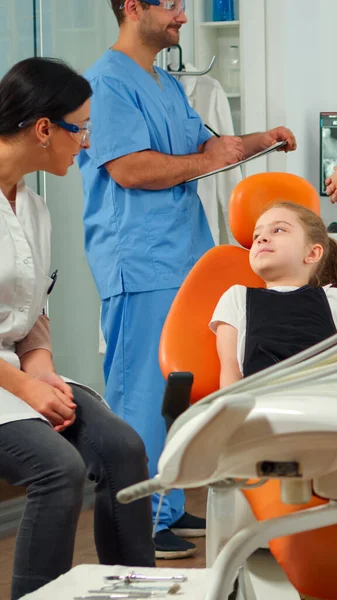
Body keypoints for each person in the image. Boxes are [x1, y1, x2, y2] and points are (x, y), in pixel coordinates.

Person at [78, 0, 297, 558]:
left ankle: (168, 507)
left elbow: (211, 149)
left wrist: (263, 139)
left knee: (178, 393)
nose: (181, 15)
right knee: (140, 397)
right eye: (172, 4)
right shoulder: (106, 84)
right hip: (141, 260)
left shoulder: (166, 85)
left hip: (184, 261)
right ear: (132, 7)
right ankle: (138, 524)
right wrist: (207, 161)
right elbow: (131, 168)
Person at [0, 57, 154, 600]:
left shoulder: (35, 208)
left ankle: (135, 591)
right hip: (4, 385)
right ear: (44, 129)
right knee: (57, 468)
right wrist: (25, 387)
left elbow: (33, 316)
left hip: (18, 376)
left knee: (122, 447)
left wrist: (44, 374)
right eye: (79, 128)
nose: (85, 143)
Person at [210, 202, 337, 387]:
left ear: (312, 253)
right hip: (262, 409)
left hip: (322, 409)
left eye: (278, 230)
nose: (261, 238)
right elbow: (230, 377)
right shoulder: (237, 298)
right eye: (256, 235)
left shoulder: (332, 299)